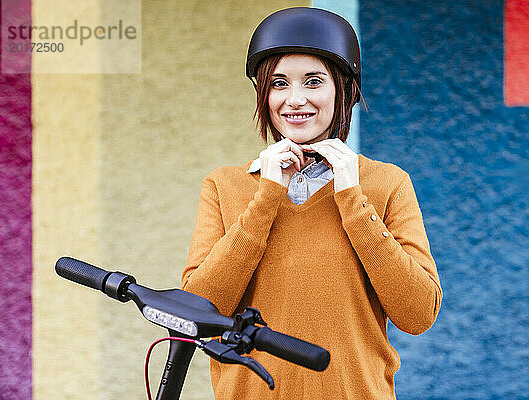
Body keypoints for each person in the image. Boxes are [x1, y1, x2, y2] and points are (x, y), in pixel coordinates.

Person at [182, 7, 442, 399]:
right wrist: (266, 197)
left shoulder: (388, 183)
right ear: (263, 95)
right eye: (279, 84)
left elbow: (418, 313)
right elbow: (197, 312)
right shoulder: (224, 186)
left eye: (314, 82)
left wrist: (353, 200)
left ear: (344, 89)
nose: (295, 100)